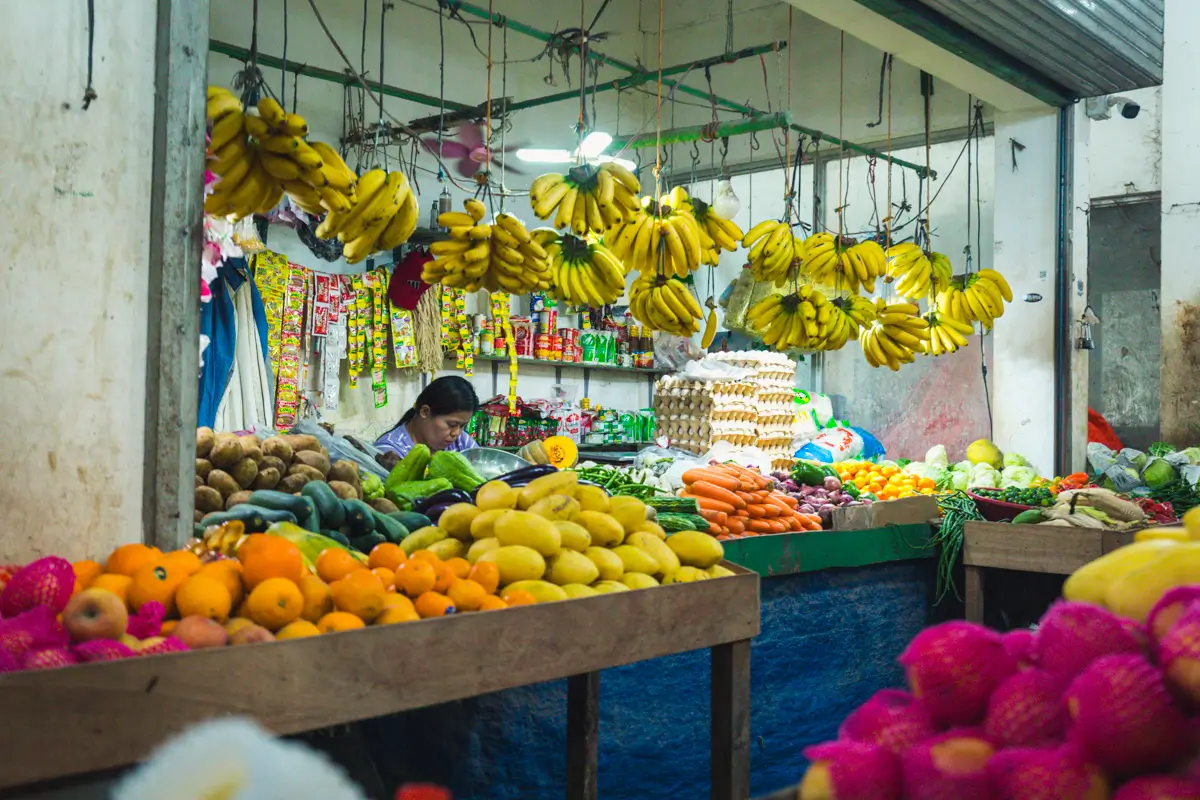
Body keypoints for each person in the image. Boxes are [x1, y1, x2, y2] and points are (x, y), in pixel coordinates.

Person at [374, 376, 480, 462]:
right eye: (451, 424)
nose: (456, 433)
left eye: (462, 426)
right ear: (425, 412)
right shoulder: (389, 452)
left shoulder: (463, 443)